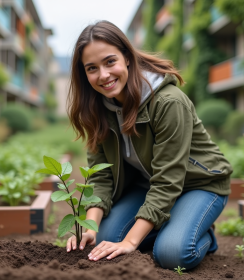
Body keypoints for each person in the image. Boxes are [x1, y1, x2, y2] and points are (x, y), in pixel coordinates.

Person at [66, 20, 233, 270]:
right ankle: (170, 223)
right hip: (147, 185)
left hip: (199, 185)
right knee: (103, 240)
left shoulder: (168, 102)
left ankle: (203, 236)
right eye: (92, 68)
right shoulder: (97, 109)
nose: (103, 75)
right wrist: (91, 227)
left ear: (127, 57)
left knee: (172, 254)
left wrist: (132, 241)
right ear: (84, 73)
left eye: (110, 61)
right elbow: (101, 177)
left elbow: (169, 180)